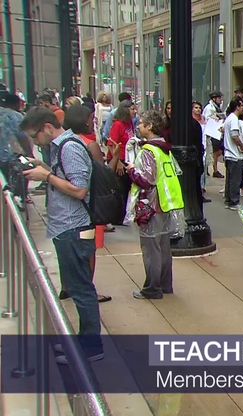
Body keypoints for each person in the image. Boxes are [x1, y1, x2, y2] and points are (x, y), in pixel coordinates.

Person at [20, 107, 104, 363]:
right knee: (79, 287)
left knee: (80, 289)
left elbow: (79, 190)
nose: (35, 142)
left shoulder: (69, 147)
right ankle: (85, 342)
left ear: (47, 127)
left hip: (73, 228)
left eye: (35, 136)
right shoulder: (62, 147)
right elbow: (67, 177)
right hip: (67, 228)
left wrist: (46, 175)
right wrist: (44, 167)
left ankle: (91, 347)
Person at [125, 110, 185, 299]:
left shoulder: (149, 151)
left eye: (141, 123)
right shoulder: (163, 149)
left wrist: (132, 170)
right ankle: (165, 284)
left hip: (152, 206)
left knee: (151, 248)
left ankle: (153, 287)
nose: (138, 126)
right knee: (163, 247)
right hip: (167, 203)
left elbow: (147, 179)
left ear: (150, 126)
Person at [59, 105, 113, 302]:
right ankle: (88, 289)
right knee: (89, 250)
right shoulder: (88, 145)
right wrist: (114, 159)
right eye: (91, 118)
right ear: (84, 120)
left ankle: (67, 285)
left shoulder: (61, 142)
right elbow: (103, 174)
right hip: (88, 207)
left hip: (65, 208)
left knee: (67, 248)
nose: (94, 122)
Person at [108, 100, 138, 221]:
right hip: (118, 159)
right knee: (119, 189)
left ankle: (122, 215)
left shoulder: (129, 123)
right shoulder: (118, 125)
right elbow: (111, 143)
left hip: (127, 158)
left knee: (126, 189)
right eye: (132, 109)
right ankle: (116, 217)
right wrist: (118, 161)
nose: (135, 111)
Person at [222, 97, 243, 211]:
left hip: (228, 153)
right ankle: (234, 201)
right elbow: (235, 136)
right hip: (234, 154)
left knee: (229, 178)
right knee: (235, 179)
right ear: (237, 107)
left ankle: (228, 200)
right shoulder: (234, 119)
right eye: (242, 105)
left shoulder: (229, 118)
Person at [203, 91, 226, 178]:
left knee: (217, 151)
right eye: (219, 98)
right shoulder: (210, 108)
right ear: (214, 98)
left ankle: (210, 169)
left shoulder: (217, 107)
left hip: (216, 132)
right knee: (214, 152)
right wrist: (215, 118)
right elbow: (207, 119)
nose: (221, 100)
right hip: (212, 133)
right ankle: (214, 170)